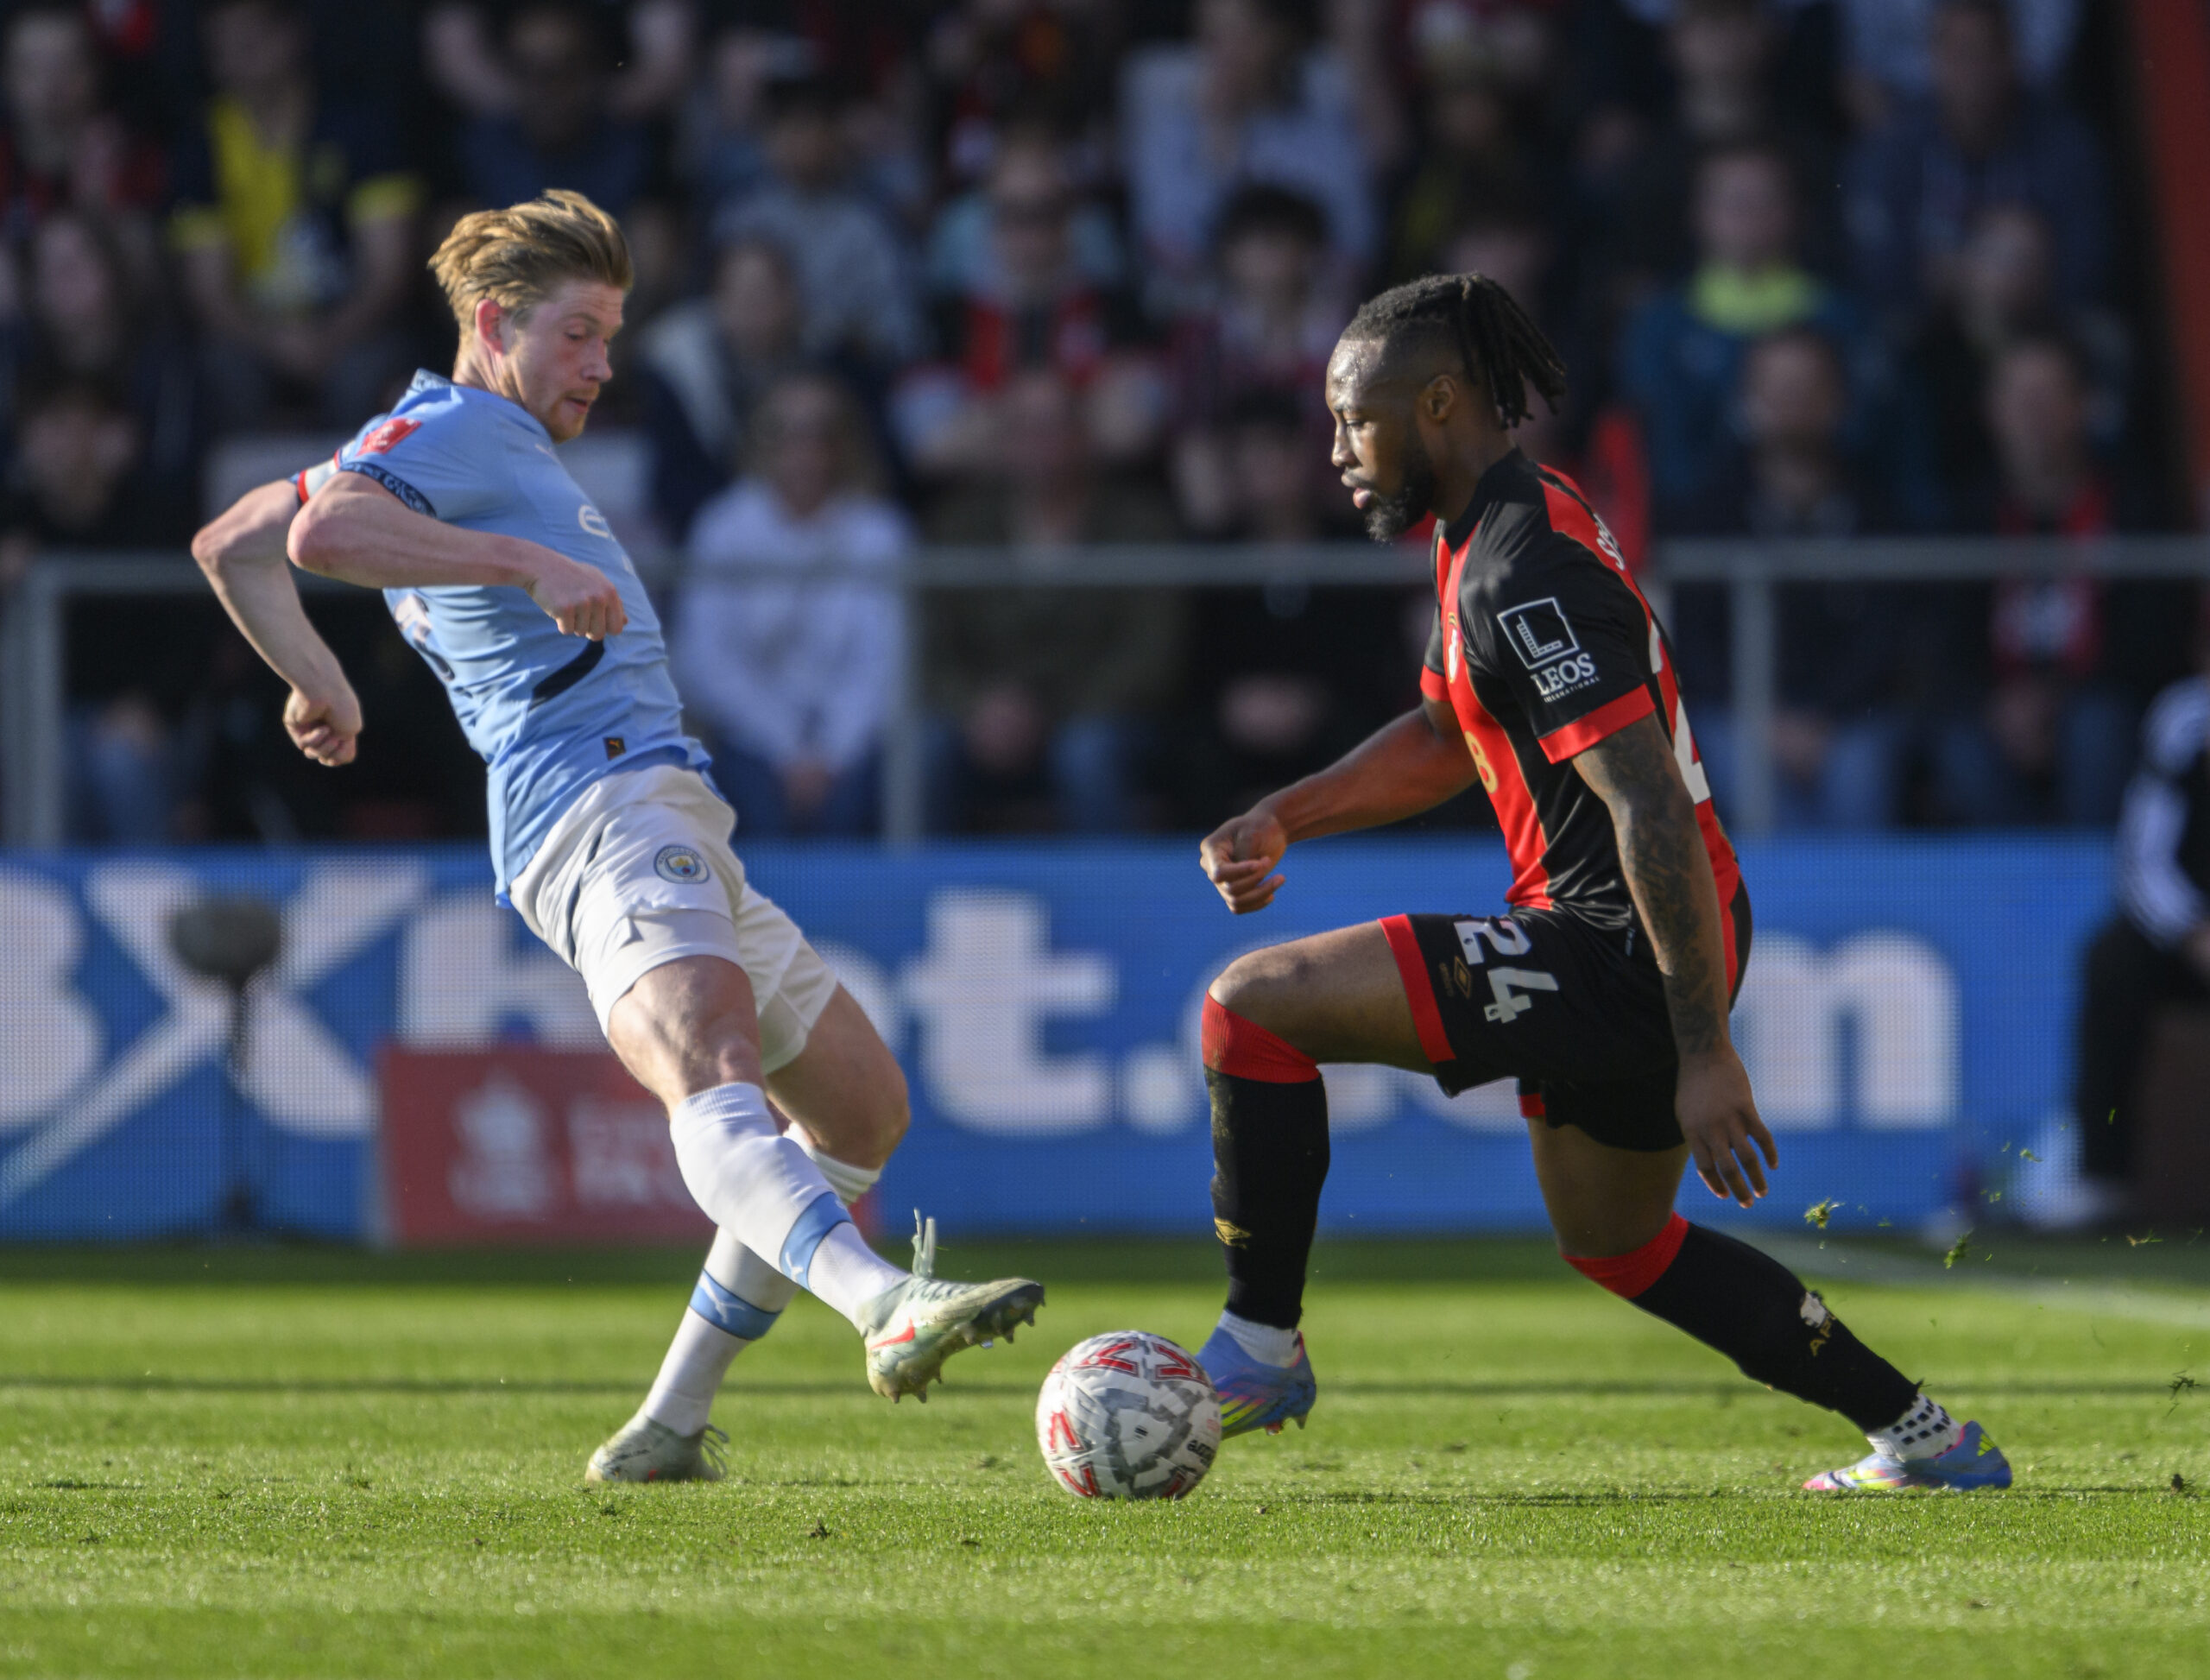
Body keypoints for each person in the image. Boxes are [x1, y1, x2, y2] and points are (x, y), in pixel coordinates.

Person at [188, 190, 1044, 1484]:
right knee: (714, 1065)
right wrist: (523, 566)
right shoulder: (454, 426)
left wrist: (325, 683)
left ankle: (671, 1425)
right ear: (493, 324)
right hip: (593, 803)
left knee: (860, 1105)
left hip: (661, 799)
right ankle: (883, 1302)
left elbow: (233, 543)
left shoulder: (438, 442)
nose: (600, 364)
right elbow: (321, 536)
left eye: (612, 335)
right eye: (577, 333)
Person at [1187, 272, 2011, 1494]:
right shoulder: (1496, 525)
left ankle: (1261, 1342)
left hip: (1623, 941)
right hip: (1635, 929)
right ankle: (1925, 1436)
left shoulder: (1521, 571)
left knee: (1250, 1006)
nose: (1338, 452)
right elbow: (1444, 734)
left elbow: (1649, 805)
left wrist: (1703, 1047)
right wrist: (1285, 814)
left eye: (1355, 420)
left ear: (1438, 403)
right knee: (1618, 1243)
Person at [922, 368, 1185, 834]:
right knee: (923, 747)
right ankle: (916, 881)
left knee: (1087, 752)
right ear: (1002, 441)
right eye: (1023, 428)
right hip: (982, 714)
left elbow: (1151, 653)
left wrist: (1049, 713)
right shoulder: (959, 525)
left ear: (1083, 435)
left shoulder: (1140, 523)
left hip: (1096, 711)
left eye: (1052, 426)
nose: (1038, 444)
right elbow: (930, 645)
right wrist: (977, 707)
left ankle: (1106, 882)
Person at [1667, 328, 1910, 830]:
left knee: (1860, 773)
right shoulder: (1710, 511)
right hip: (1738, 712)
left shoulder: (1879, 508)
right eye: (1778, 388)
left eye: (1808, 386)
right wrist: (1766, 720)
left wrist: (1826, 716)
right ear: (1746, 400)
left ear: (1839, 399)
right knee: (1748, 777)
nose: (1794, 402)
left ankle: (1857, 888)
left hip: (1850, 715)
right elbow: (1694, 641)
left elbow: (1890, 636)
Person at [167, 0, 421, 430]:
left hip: (352, 324)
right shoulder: (202, 142)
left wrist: (331, 336)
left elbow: (389, 269)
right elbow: (208, 291)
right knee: (218, 372)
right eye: (221, 48)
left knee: (374, 376)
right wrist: (274, 342)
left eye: (249, 41)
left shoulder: (358, 123)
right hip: (254, 333)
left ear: (291, 36)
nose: (237, 59)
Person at [671, 372, 906, 837]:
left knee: (858, 797)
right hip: (750, 734)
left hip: (852, 740)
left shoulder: (880, 532)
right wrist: (787, 749)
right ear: (761, 442)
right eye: (786, 434)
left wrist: (831, 753)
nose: (805, 451)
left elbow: (883, 664)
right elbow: (706, 660)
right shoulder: (723, 527)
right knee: (747, 793)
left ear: (845, 443)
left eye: (821, 434)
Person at [1843, 0, 2106, 329]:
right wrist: (1972, 273)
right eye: (1960, 54)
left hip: (2041, 325)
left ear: (2011, 56)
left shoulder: (2063, 144)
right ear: (1934, 58)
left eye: (1985, 53)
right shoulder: (1895, 146)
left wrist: (2022, 274)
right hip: (1926, 329)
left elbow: (2087, 265)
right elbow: (1876, 268)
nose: (1972, 71)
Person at [2070, 610, 2210, 1221]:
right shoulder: (2184, 720)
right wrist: (2192, 933)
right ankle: (2102, 1175)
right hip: (2193, 941)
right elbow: (2143, 859)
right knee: (2112, 958)